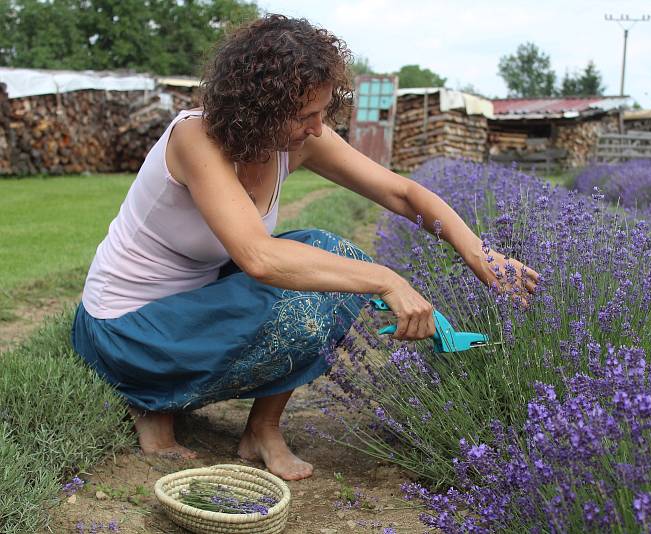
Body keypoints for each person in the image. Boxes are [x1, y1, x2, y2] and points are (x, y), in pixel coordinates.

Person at [70, 14, 539, 481]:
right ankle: (151, 397)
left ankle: (261, 429)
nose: (318, 128)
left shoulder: (298, 140)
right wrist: (387, 279)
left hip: (190, 310)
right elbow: (258, 256)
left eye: (323, 112)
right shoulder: (196, 138)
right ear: (257, 110)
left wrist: (482, 254)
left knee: (330, 260)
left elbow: (401, 194)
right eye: (304, 116)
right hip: (124, 330)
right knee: (319, 288)